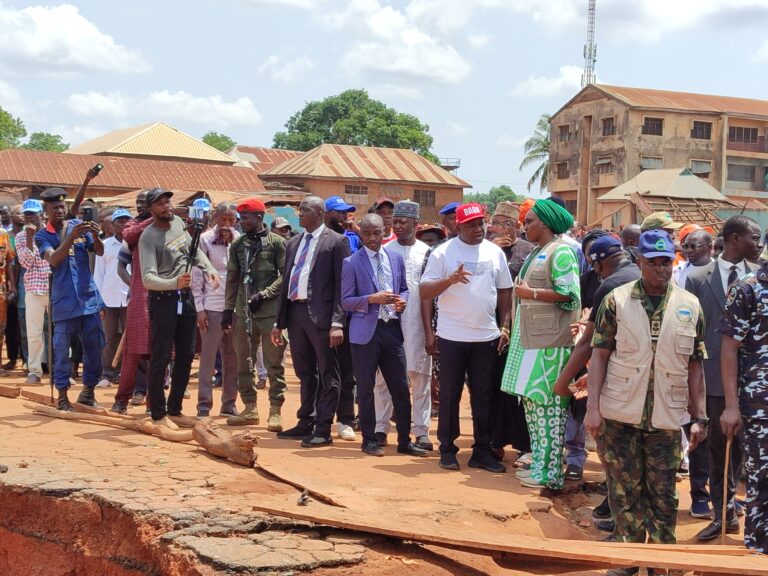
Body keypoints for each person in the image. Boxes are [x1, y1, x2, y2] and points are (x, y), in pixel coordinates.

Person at [585, 230, 707, 574]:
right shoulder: (617, 301)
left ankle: (662, 564)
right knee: (624, 494)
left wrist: (701, 417)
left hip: (667, 418)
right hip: (619, 414)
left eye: (666, 262)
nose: (661, 269)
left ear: (674, 262)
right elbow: (599, 357)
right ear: (639, 262)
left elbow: (696, 365)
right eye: (653, 263)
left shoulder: (690, 305)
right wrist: (593, 408)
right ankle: (628, 559)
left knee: (664, 497)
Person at [685, 215, 762, 541]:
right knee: (718, 450)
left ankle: (743, 513)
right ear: (734, 238)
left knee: (748, 452)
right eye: (753, 237)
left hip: (755, 384)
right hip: (713, 377)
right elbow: (690, 332)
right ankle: (723, 513)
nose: (758, 244)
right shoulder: (698, 277)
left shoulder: (759, 279)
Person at [421, 202, 512, 473]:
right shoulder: (443, 253)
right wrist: (449, 280)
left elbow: (505, 291)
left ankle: (482, 451)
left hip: (486, 337)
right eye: (471, 225)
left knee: (483, 396)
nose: (477, 229)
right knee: (450, 395)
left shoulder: (495, 252)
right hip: (452, 336)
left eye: (481, 223)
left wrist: (505, 325)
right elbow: (425, 292)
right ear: (457, 226)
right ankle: (447, 449)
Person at [501, 199, 580, 489]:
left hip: (551, 344)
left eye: (530, 221)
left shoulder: (561, 253)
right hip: (532, 341)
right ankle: (541, 467)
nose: (525, 225)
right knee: (534, 406)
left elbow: (570, 295)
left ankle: (550, 474)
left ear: (545, 224)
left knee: (549, 410)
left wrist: (530, 292)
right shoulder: (539, 251)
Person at [341, 213, 428, 458]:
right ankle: (369, 440)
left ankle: (404, 440)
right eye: (366, 233)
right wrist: (371, 299)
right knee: (366, 389)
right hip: (365, 333)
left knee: (401, 387)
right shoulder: (352, 263)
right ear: (360, 233)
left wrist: (402, 301)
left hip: (391, 329)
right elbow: (345, 301)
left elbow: (404, 290)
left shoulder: (395, 258)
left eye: (377, 233)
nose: (372, 238)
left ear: (384, 231)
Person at [271, 196, 350, 447]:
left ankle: (323, 428)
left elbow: (342, 286)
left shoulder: (336, 242)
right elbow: (286, 282)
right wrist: (279, 321)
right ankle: (306, 421)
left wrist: (338, 323)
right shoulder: (294, 242)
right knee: (305, 373)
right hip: (296, 314)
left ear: (319, 213)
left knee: (328, 373)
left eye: (303, 210)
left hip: (323, 318)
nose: (299, 214)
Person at [138, 188, 219, 429]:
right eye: (160, 203)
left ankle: (175, 410)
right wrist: (173, 282)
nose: (166, 206)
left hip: (186, 298)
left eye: (168, 201)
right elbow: (147, 278)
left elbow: (191, 253)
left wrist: (209, 268)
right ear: (149, 209)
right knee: (161, 357)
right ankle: (158, 414)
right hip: (163, 301)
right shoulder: (148, 237)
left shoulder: (178, 223)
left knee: (185, 356)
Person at [34, 187, 104, 411]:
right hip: (64, 303)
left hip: (88, 300)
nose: (60, 211)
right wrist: (71, 238)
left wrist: (94, 234)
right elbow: (53, 259)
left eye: (62, 207)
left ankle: (88, 392)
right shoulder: (42, 235)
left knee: (94, 348)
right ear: (46, 211)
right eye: (55, 208)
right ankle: (63, 396)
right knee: (62, 352)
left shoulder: (77, 226)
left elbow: (100, 252)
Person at [223, 199, 287, 429]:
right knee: (244, 362)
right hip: (243, 312)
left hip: (269, 313)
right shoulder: (238, 245)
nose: (241, 222)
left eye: (246, 218)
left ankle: (275, 411)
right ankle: (249, 408)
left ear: (259, 218)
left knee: (273, 363)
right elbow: (232, 279)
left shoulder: (278, 243)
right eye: (240, 218)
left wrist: (265, 294)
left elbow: (284, 277)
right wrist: (227, 310)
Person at [375, 201, 433, 450]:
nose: (396, 226)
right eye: (395, 221)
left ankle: (421, 431)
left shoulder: (428, 252)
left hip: (419, 324)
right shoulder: (384, 251)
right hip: (389, 323)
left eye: (403, 222)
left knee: (420, 377)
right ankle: (380, 428)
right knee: (383, 379)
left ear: (415, 225)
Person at [721, 254, 768, 554]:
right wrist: (731, 406)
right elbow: (728, 349)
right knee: (761, 481)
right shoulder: (747, 290)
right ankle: (758, 551)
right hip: (759, 405)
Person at [487, 201, 533, 463]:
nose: (502, 227)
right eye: (497, 222)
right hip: (486, 326)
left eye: (508, 223)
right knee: (490, 386)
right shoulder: (483, 248)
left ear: (517, 226)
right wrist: (492, 249)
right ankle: (494, 441)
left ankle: (523, 444)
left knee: (517, 387)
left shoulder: (528, 251)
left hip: (518, 328)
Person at [192, 204, 240, 418]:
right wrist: (199, 308)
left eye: (231, 220)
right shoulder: (204, 239)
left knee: (233, 358)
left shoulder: (239, 240)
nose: (226, 224)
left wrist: (231, 244)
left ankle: (229, 403)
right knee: (208, 359)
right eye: (223, 219)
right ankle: (204, 405)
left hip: (235, 308)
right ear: (215, 218)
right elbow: (196, 275)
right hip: (211, 306)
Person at [110, 192, 152, 413]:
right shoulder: (134, 226)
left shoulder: (167, 227)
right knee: (133, 351)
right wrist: (135, 286)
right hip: (139, 298)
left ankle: (153, 403)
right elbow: (122, 263)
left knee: (159, 352)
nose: (140, 207)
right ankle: (121, 400)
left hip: (163, 297)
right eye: (138, 204)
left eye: (144, 203)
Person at [324, 196, 360, 440]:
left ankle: (345, 419)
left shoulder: (354, 239)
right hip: (319, 315)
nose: (345, 216)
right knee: (322, 371)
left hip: (347, 315)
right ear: (326, 214)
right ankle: (320, 418)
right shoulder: (316, 240)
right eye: (339, 212)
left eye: (347, 212)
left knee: (347, 371)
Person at [421, 201, 460, 418]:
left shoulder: (486, 249)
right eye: (453, 217)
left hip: (479, 331)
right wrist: (429, 331)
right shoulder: (436, 252)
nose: (459, 221)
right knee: (446, 382)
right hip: (444, 326)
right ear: (445, 222)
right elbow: (426, 295)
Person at [93, 208, 130, 388]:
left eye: (126, 221)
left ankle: (125, 371)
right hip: (108, 298)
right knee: (108, 336)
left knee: (129, 336)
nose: (123, 225)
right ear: (112, 225)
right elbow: (98, 274)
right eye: (120, 222)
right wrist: (97, 300)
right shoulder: (104, 245)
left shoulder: (134, 244)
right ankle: (107, 372)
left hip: (129, 298)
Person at [15, 200, 48, 385]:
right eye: (26, 214)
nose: (29, 217)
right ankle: (34, 371)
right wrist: (29, 237)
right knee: (34, 334)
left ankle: (61, 370)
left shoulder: (49, 232)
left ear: (41, 214)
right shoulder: (21, 236)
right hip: (33, 289)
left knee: (59, 332)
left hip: (54, 288)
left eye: (33, 213)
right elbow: (26, 263)